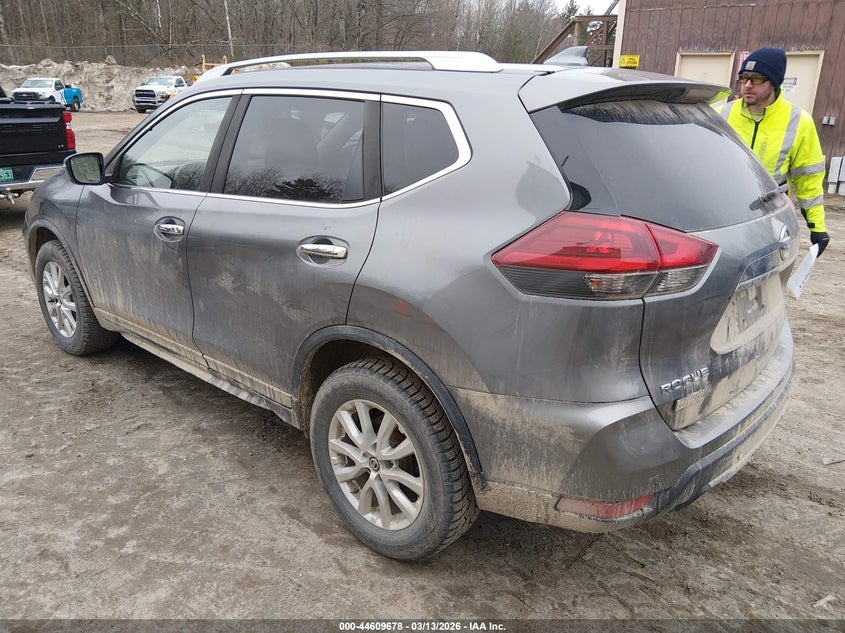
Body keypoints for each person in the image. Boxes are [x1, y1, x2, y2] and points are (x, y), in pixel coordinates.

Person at [720, 46, 830, 256]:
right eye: (744, 78)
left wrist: (817, 226)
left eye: (757, 79)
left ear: (775, 81)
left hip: (769, 218)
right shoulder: (721, 114)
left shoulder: (799, 122)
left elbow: (809, 180)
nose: (748, 86)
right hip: (725, 214)